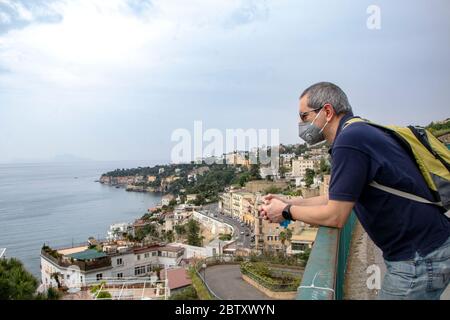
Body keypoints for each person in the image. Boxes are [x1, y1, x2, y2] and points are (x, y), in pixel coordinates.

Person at [260, 82, 450, 300]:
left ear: (327, 111)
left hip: (419, 256)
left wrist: (286, 212)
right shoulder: (358, 130)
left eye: (304, 116)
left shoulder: (349, 142)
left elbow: (336, 216)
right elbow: (336, 196)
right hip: (427, 248)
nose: (300, 123)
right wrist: (287, 201)